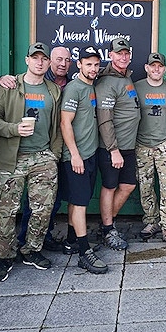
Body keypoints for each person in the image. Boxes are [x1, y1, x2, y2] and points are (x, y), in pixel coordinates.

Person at [0, 42, 62, 282]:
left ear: (48, 63)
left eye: (43, 59)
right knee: (6, 211)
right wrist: (13, 129)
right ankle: (5, 257)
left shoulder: (53, 90)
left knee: (43, 210)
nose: (39, 62)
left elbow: (58, 125)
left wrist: (54, 154)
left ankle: (31, 250)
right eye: (35, 58)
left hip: (43, 157)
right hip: (12, 158)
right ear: (26, 60)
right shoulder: (10, 86)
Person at [0, 46, 73, 252]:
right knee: (12, 207)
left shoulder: (64, 86)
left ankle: (38, 242)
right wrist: (0, 78)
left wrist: (54, 155)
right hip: (18, 155)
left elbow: (58, 125)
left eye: (67, 60)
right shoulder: (17, 84)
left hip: (50, 154)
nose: (62, 64)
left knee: (49, 203)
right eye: (58, 59)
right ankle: (14, 248)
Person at [59, 46, 108, 273]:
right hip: (76, 156)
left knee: (78, 200)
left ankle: (71, 240)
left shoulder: (92, 87)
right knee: (80, 204)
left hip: (90, 153)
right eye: (88, 64)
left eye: (96, 64)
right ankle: (83, 252)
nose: (93, 68)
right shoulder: (74, 88)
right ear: (78, 64)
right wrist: (75, 155)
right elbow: (65, 123)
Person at [135, 52, 166, 247]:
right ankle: (151, 222)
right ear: (147, 67)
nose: (156, 69)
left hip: (165, 145)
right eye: (152, 65)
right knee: (145, 187)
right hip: (142, 145)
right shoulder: (136, 87)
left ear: (164, 68)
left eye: (160, 66)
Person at [95, 37, 141, 250]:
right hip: (113, 147)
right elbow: (104, 118)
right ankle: (107, 229)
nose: (123, 57)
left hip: (129, 146)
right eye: (118, 53)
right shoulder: (106, 82)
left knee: (128, 185)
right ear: (110, 55)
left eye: (126, 53)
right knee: (110, 186)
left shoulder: (126, 78)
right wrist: (113, 150)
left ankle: (107, 224)